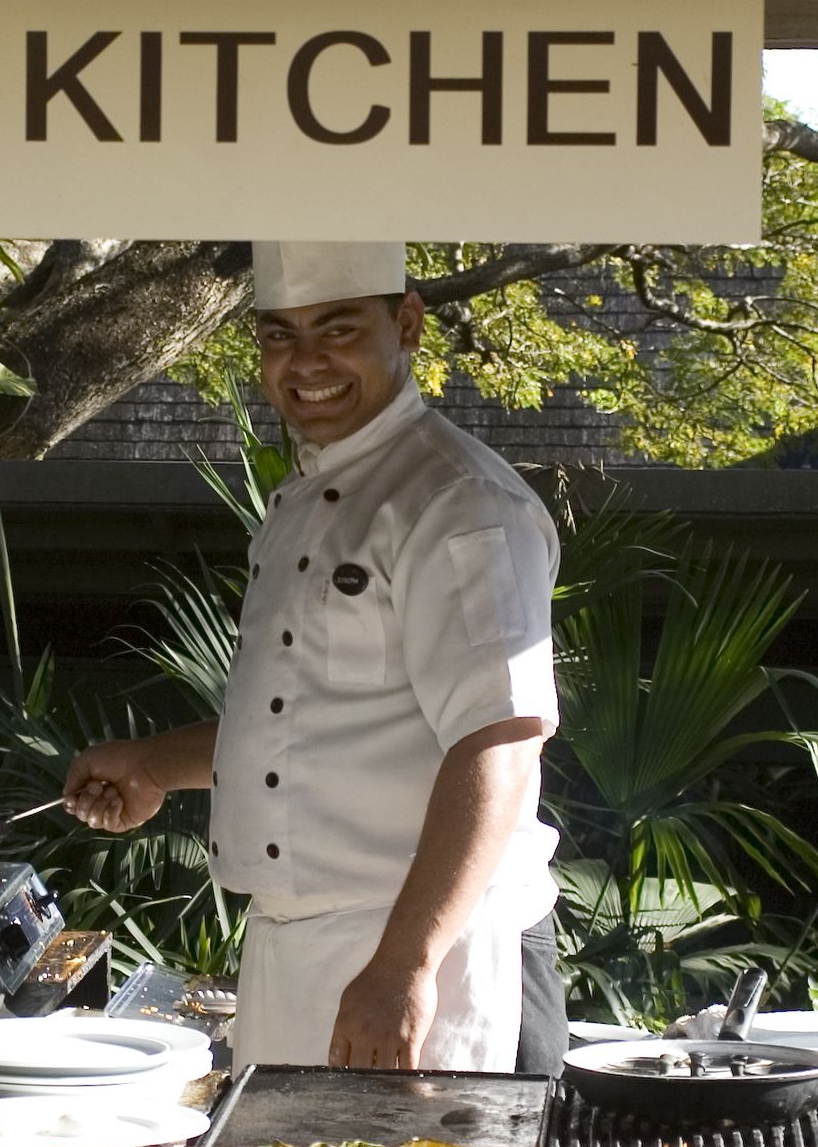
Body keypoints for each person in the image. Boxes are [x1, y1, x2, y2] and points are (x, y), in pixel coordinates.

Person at [63, 241, 565, 1074]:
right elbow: (298, 720)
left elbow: (500, 741)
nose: (306, 363)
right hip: (296, 961)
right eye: (278, 336)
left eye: (336, 330)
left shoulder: (459, 502)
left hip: (436, 962)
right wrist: (152, 765)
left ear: (406, 323)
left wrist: (405, 967)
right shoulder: (301, 499)